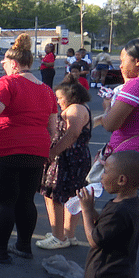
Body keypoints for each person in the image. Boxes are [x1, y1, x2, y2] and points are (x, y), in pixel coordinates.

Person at [0, 34, 58, 264]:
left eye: (5, 62)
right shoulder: (47, 91)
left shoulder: (8, 83)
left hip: (3, 148)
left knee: (3, 202)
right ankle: (24, 246)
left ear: (15, 64)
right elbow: (53, 127)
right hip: (35, 151)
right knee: (26, 200)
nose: (2, 65)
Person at [96, 37, 139, 278]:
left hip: (133, 166)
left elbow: (111, 123)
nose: (120, 65)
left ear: (138, 61)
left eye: (122, 59)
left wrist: (108, 107)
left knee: (135, 233)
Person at [78, 150, 139, 278]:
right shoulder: (132, 204)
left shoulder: (119, 211)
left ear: (121, 180)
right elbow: (107, 228)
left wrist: (85, 211)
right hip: (121, 277)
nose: (102, 176)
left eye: (106, 172)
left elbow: (95, 240)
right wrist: (92, 210)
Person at [37, 75, 92, 250]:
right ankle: (67, 234)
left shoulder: (74, 109)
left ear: (71, 96)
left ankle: (58, 236)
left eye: (60, 98)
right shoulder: (83, 108)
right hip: (77, 157)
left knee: (54, 195)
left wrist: (53, 152)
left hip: (67, 158)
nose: (58, 101)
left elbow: (73, 133)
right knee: (73, 195)